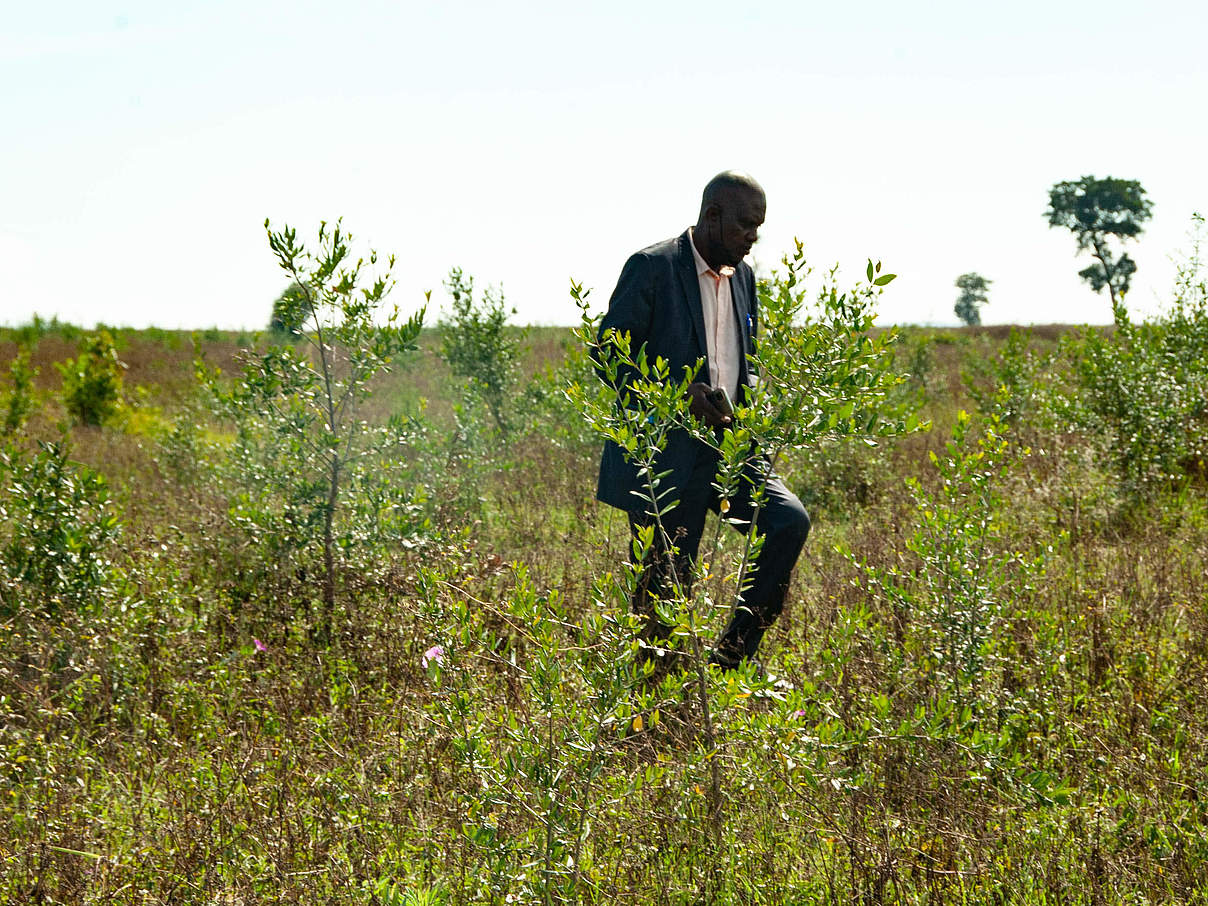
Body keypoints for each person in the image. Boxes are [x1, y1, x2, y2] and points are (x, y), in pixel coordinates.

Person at [595, 171, 811, 671]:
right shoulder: (652, 267)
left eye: (759, 227)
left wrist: (748, 406)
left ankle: (727, 661)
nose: (753, 238)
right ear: (712, 216)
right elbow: (608, 355)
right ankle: (652, 715)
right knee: (665, 591)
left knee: (786, 522)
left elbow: (744, 361)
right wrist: (677, 395)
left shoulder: (746, 278)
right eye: (746, 226)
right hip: (665, 461)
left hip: (728, 452)